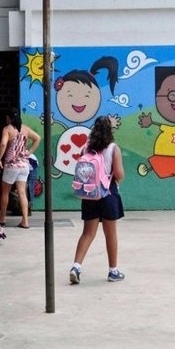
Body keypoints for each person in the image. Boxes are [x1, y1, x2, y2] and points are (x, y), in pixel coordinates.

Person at [69, 116, 125, 284]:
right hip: (108, 194)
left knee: (87, 233)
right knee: (110, 233)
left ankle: (76, 267)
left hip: (89, 194)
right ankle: (113, 271)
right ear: (110, 131)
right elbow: (120, 175)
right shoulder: (114, 148)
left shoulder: (85, 148)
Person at [0, 108, 41, 228]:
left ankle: (2, 218)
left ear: (9, 118)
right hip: (24, 165)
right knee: (22, 193)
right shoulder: (25, 129)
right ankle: (25, 221)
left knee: (5, 192)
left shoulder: (7, 129)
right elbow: (37, 138)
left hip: (11, 165)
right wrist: (29, 152)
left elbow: (4, 143)